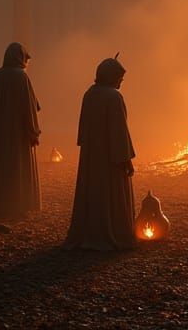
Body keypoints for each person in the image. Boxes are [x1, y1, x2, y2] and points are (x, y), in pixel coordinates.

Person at [64, 55, 136, 251]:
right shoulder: (114, 97)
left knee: (93, 191)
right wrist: (126, 159)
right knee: (110, 194)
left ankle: (90, 231)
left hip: (92, 156)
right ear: (112, 76)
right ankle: (112, 232)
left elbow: (83, 130)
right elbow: (120, 131)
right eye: (119, 78)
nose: (121, 82)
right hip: (111, 157)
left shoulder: (89, 94)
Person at [0, 42, 42, 219]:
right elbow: (30, 108)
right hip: (16, 135)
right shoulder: (21, 77)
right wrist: (33, 132)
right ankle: (17, 205)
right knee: (16, 166)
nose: (26, 63)